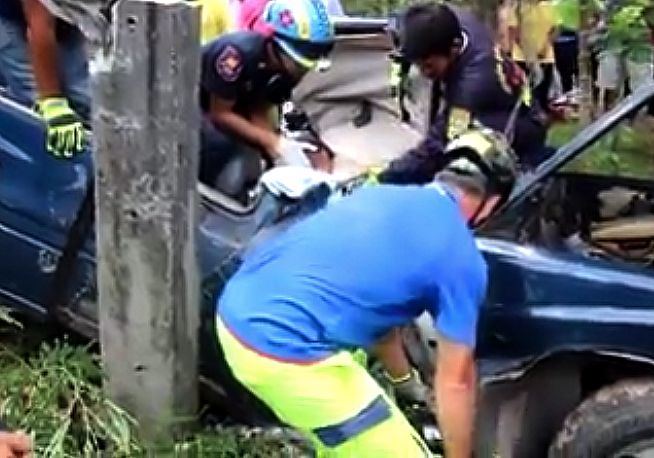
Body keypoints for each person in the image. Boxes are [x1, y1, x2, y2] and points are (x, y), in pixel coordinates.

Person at [216, 127, 518, 458]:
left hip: (236, 309)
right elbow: (456, 382)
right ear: (491, 204)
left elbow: (379, 312)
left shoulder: (378, 194)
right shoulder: (461, 257)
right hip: (282, 349)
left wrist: (405, 386)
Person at [379, 3, 547, 185]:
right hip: (506, 97)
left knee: (460, 155)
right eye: (418, 65)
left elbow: (438, 146)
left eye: (428, 66)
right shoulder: (456, 22)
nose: (423, 72)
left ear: (454, 48)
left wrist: (389, 175)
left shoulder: (472, 88)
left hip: (520, 123)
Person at [199, 0, 334, 199]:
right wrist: (273, 143)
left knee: (261, 155)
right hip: (199, 102)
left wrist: (276, 150)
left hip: (233, 104)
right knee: (221, 149)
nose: (303, 72)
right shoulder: (234, 55)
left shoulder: (284, 72)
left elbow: (258, 108)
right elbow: (220, 114)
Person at [0, 0, 90, 158]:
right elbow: (40, 28)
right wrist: (52, 101)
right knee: (39, 110)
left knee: (85, 99)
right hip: (14, 20)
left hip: (69, 16)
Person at [507, 0, 559, 111]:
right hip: (522, 58)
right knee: (523, 93)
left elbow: (554, 30)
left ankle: (540, 117)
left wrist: (545, 48)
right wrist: (530, 54)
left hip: (545, 57)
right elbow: (515, 33)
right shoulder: (518, 8)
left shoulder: (549, 6)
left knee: (542, 93)